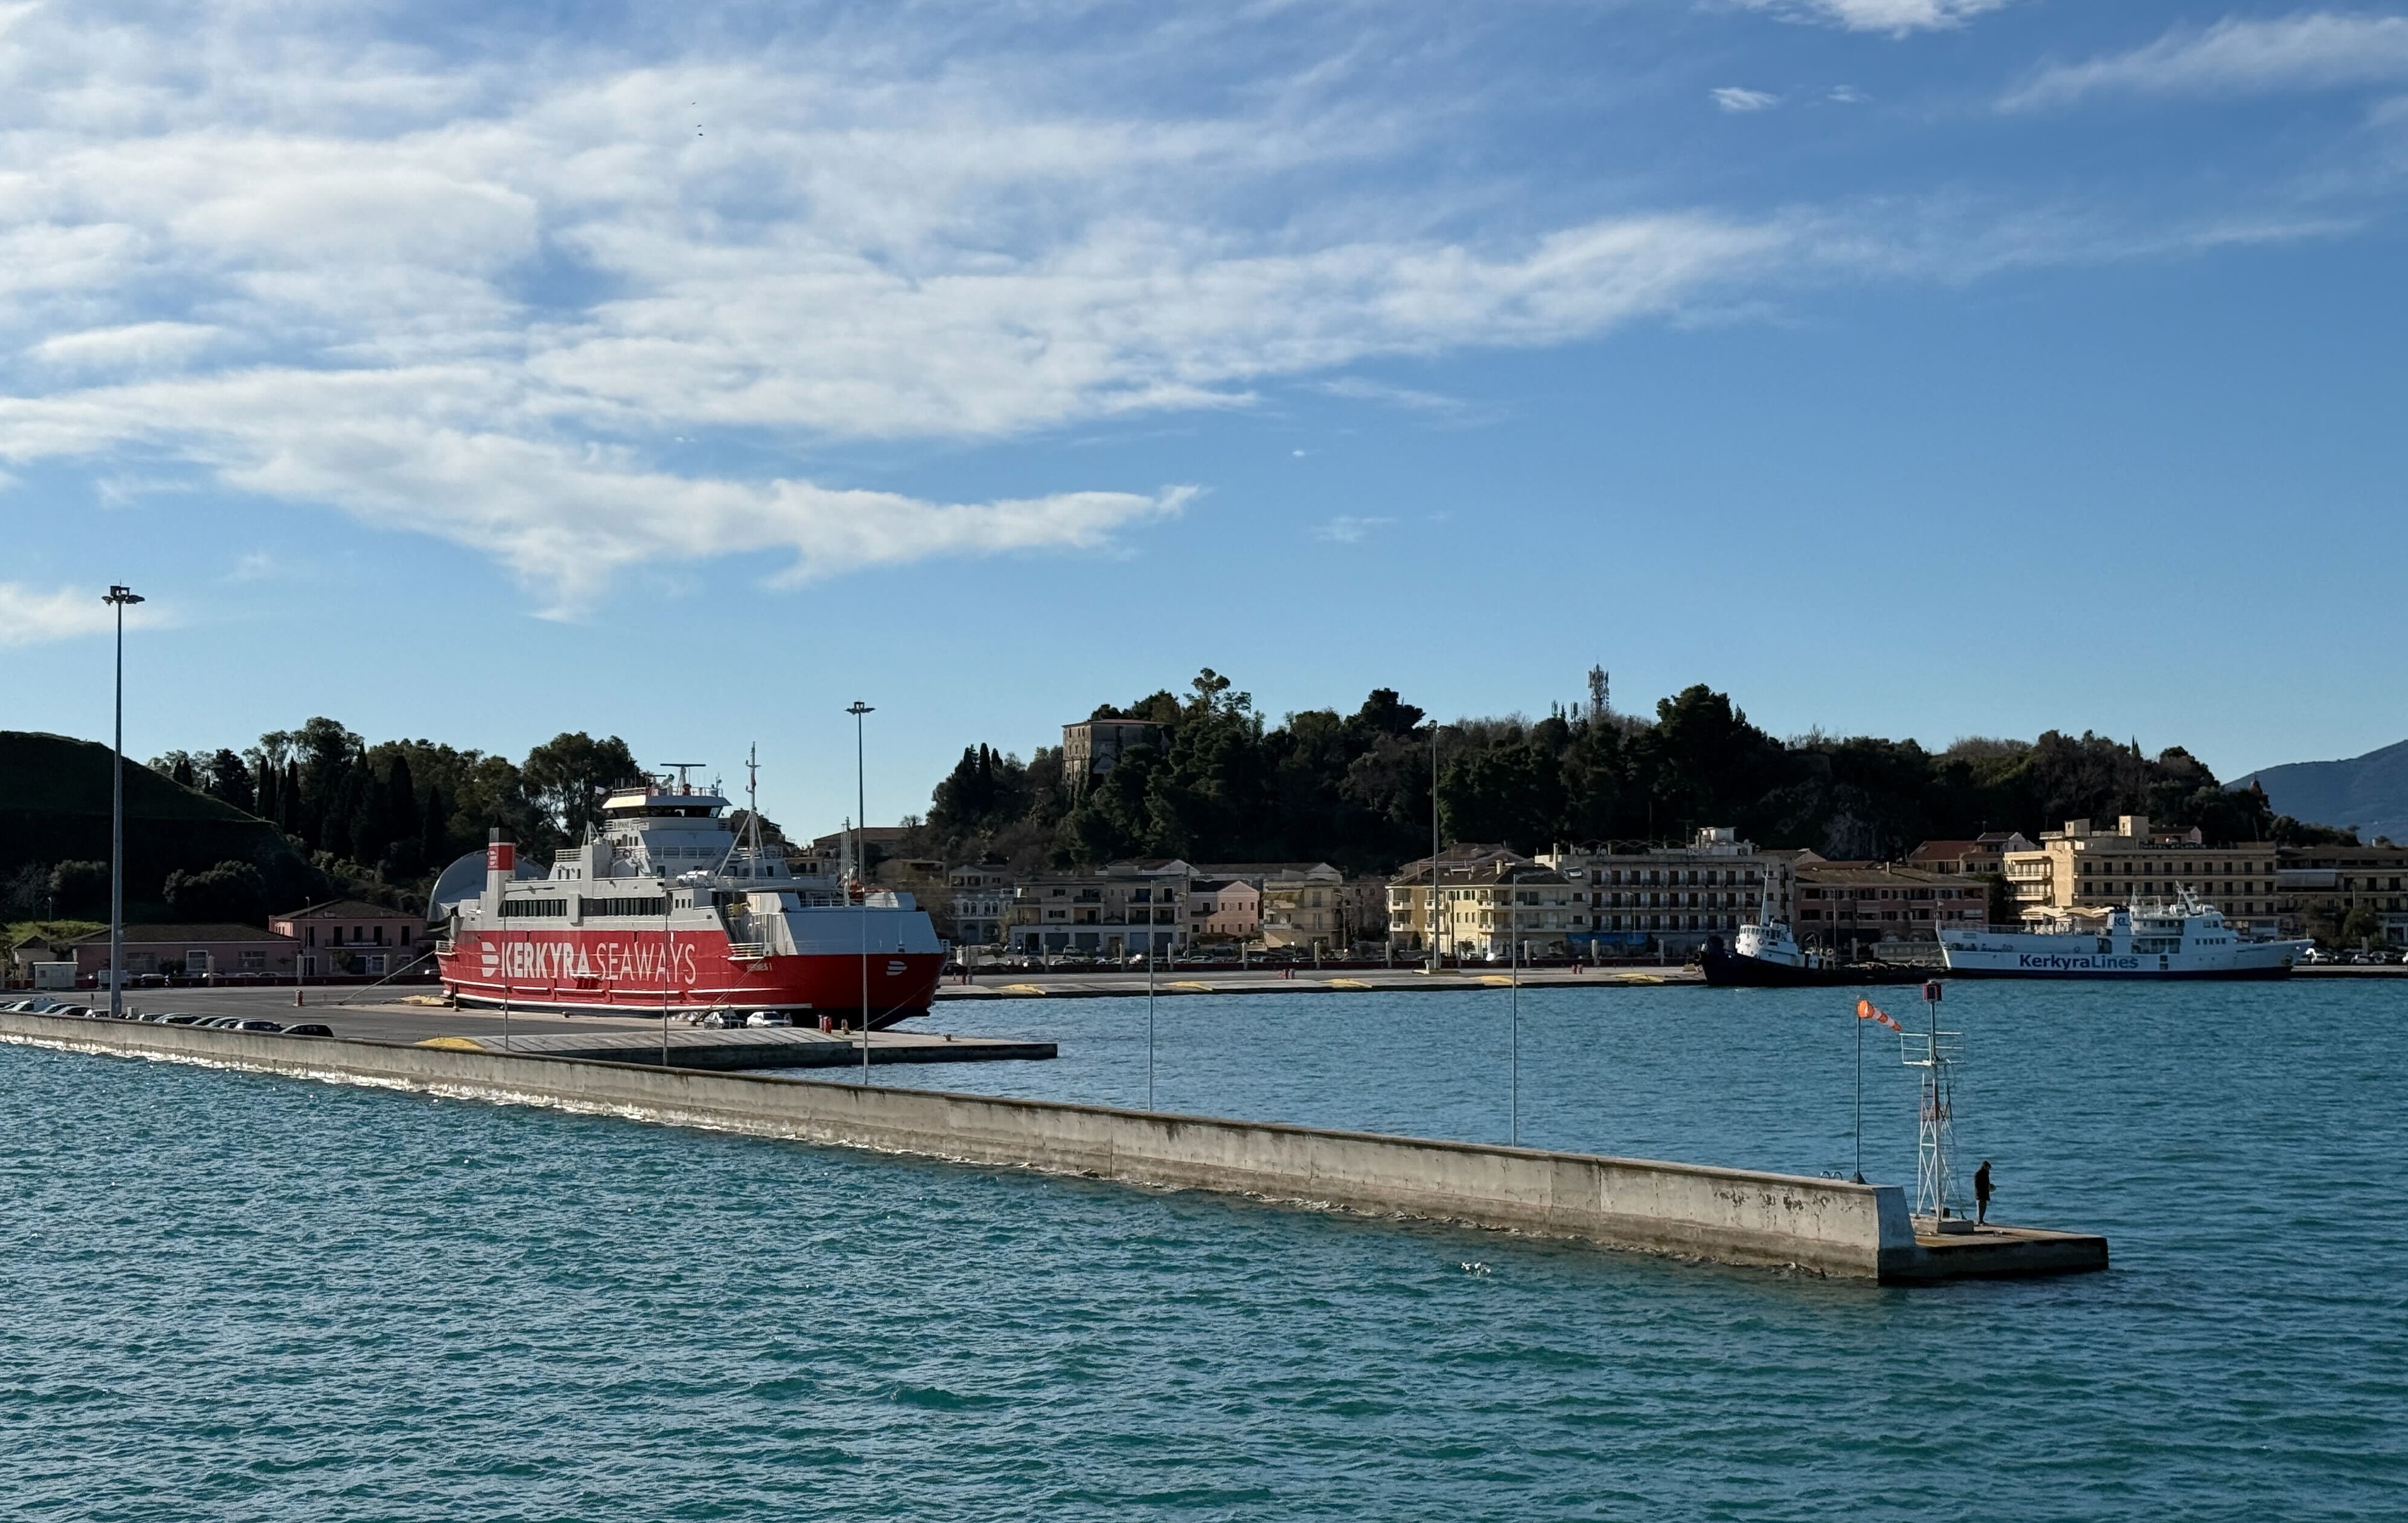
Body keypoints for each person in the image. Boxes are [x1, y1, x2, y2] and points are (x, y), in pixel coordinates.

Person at [1974, 1159, 1994, 1227]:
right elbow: (1977, 1185)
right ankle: (1979, 1221)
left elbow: (1987, 1183)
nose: (1988, 1169)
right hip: (1980, 1193)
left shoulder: (1986, 1174)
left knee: (1984, 1207)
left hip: (1985, 1193)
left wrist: (1990, 1186)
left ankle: (1981, 1220)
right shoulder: (1978, 1174)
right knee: (1980, 1207)